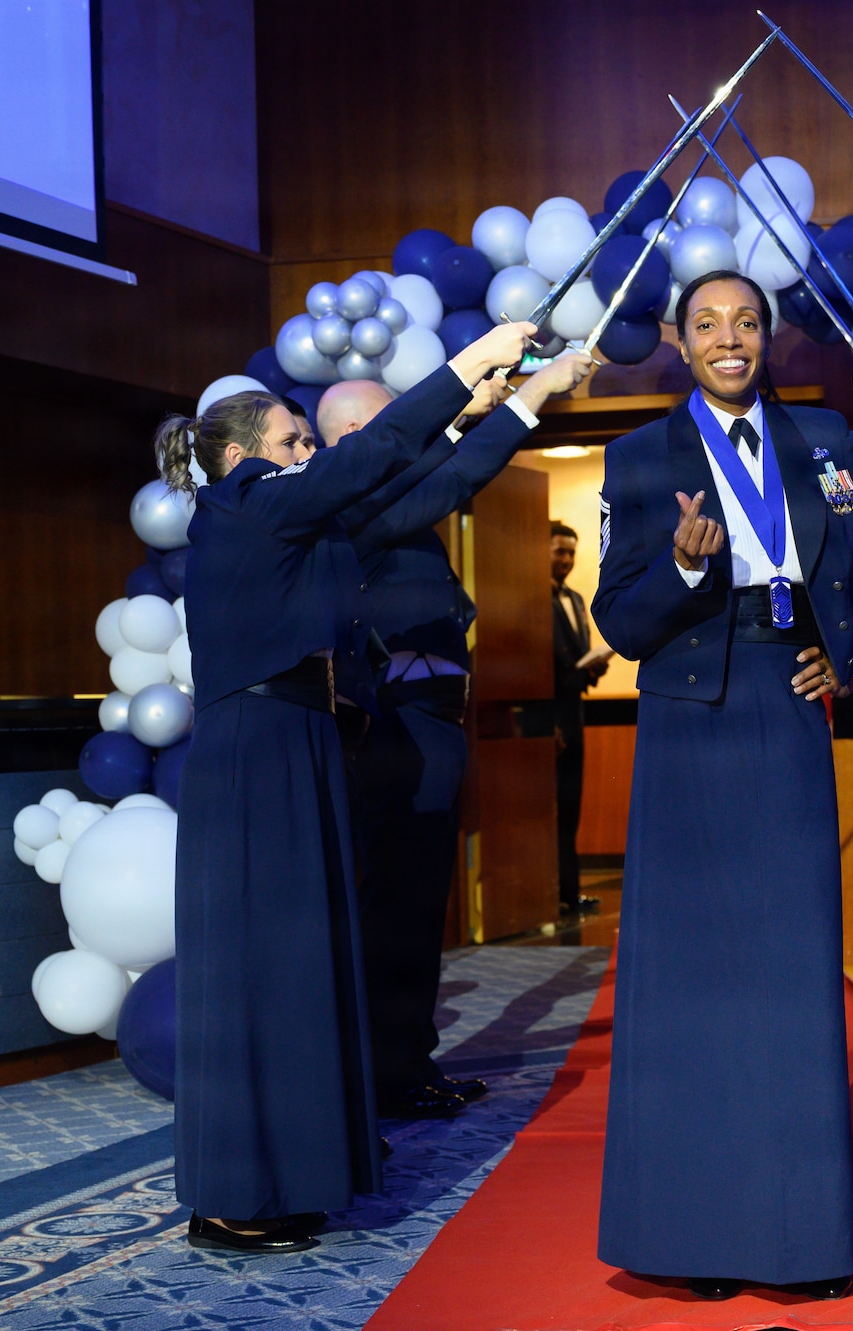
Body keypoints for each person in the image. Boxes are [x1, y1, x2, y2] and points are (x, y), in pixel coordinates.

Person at [592, 271, 853, 1299]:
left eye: (744, 322)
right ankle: (692, 1239)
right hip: (684, 722)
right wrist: (683, 568)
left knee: (791, 975)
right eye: (706, 325)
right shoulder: (636, 458)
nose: (727, 339)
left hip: (791, 702)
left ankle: (797, 1239)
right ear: (677, 341)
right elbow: (621, 624)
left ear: (769, 336)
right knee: (692, 985)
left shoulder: (830, 441)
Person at [157, 319, 536, 1253]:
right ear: (246, 455)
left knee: (301, 972)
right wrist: (467, 363)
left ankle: (292, 1174)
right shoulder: (252, 506)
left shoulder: (290, 524)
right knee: (259, 976)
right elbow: (371, 453)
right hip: (258, 755)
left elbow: (394, 477)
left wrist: (481, 409)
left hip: (297, 745)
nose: (310, 454)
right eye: (295, 441)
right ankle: (232, 1196)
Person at [320, 355, 593, 1122]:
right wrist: (533, 397)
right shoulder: (349, 503)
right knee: (395, 903)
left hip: (429, 719)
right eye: (396, 420)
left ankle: (403, 1059)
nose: (415, 433)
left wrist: (496, 400)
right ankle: (386, 1070)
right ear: (354, 434)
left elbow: (449, 458)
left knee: (415, 902)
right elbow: (459, 471)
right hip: (392, 727)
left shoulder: (385, 495)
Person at [550, 520, 610, 915]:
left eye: (572, 552)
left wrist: (596, 665)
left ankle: (569, 893)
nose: (567, 560)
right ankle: (550, 893)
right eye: (559, 551)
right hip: (548, 715)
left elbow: (577, 656)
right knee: (550, 810)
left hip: (575, 711)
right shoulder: (530, 597)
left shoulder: (574, 598)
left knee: (571, 806)